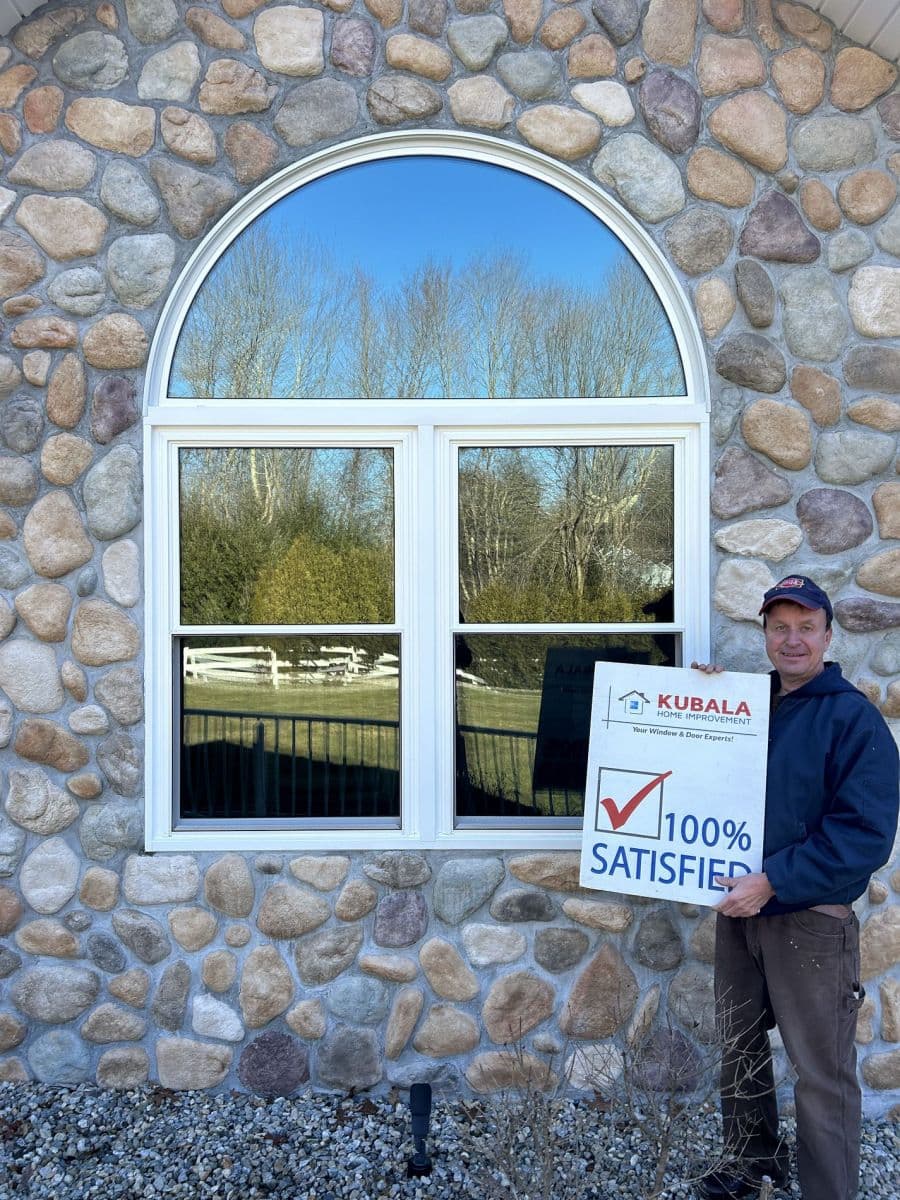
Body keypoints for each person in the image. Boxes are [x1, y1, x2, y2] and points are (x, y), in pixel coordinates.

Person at [692, 575, 899, 1200]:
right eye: (780, 627)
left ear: (828, 636)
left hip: (810, 919)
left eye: (806, 627)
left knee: (821, 1074)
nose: (793, 640)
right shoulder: (751, 706)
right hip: (740, 910)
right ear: (765, 635)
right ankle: (750, 1164)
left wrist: (775, 880)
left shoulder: (852, 718)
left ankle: (828, 1193)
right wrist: (693, 699)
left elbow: (864, 835)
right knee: (741, 1050)